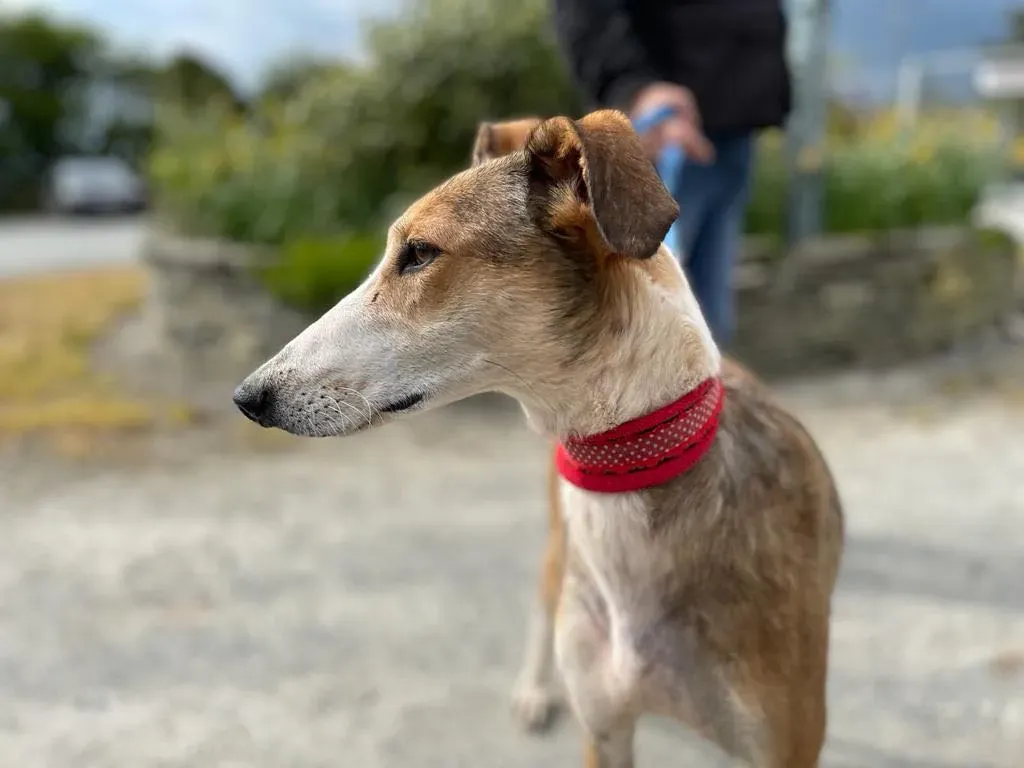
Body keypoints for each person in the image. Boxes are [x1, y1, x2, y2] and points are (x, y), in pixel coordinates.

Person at [550, 0, 792, 347]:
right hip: (660, 131)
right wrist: (633, 87)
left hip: (731, 122)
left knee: (706, 334)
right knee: (644, 333)